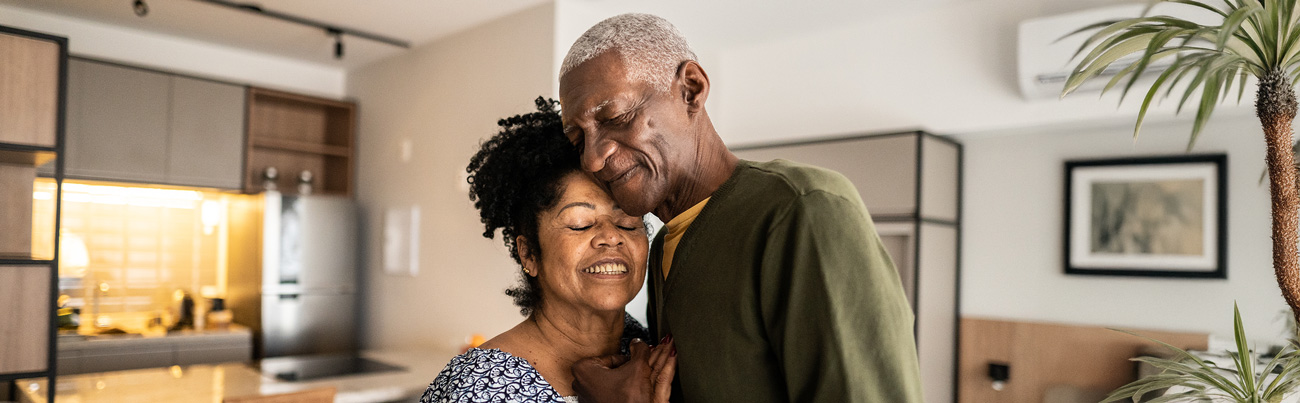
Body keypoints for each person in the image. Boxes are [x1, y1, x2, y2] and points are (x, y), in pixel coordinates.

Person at [558, 14, 924, 402]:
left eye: (615, 117)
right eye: (578, 138)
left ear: (691, 90)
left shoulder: (803, 210)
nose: (593, 159)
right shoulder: (664, 244)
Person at [420, 98, 675, 403]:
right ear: (529, 253)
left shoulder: (654, 353)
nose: (610, 237)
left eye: (627, 224)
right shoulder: (479, 388)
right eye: (580, 224)